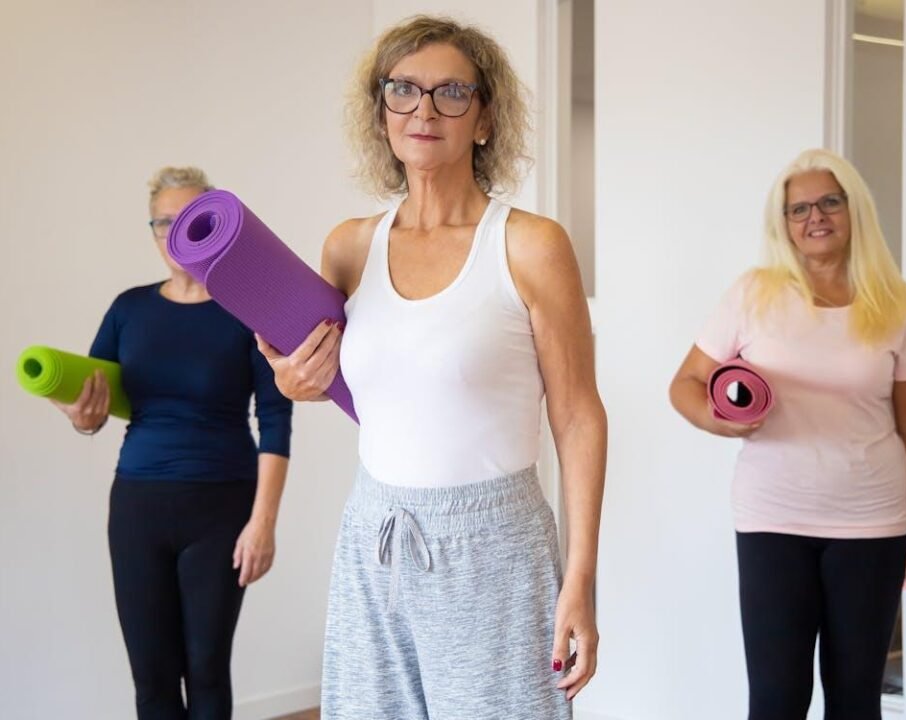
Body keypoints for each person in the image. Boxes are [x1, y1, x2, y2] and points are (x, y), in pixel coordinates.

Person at [258, 15, 606, 720]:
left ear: (484, 118)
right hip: (374, 536)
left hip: (497, 549)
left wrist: (581, 578)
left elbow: (577, 416)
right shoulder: (349, 247)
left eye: (452, 91)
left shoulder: (531, 245)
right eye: (404, 90)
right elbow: (348, 383)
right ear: (381, 112)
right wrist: (294, 382)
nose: (423, 109)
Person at [669, 149, 906, 720]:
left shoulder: (898, 305)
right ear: (783, 222)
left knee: (854, 701)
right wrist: (720, 421)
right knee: (775, 702)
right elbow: (687, 384)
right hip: (773, 519)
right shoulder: (753, 293)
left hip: (874, 523)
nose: (814, 217)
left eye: (828, 202)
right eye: (798, 208)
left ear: (853, 210)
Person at [53, 166, 293, 719]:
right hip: (138, 506)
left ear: (211, 227)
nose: (174, 233)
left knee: (206, 667)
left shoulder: (246, 310)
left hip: (222, 509)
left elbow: (276, 422)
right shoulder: (128, 309)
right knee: (153, 675)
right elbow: (94, 411)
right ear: (153, 229)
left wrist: (264, 523)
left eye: (189, 220)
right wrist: (78, 416)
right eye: (163, 222)